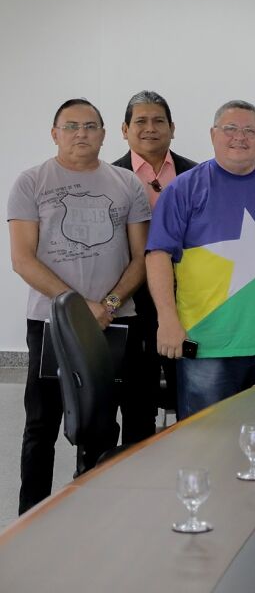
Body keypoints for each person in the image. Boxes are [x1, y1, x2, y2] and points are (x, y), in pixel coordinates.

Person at [8, 98, 152, 514]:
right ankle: (29, 518)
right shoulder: (31, 182)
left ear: (106, 134)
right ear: (54, 133)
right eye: (70, 126)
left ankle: (94, 517)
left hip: (114, 322)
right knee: (41, 425)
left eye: (90, 126)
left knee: (101, 425)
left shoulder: (127, 184)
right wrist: (78, 307)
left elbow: (141, 257)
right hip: (51, 325)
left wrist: (106, 304)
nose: (81, 133)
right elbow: (23, 260)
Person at [145, 100, 255, 418]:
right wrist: (167, 319)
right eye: (230, 129)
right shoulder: (185, 190)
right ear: (213, 134)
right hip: (206, 346)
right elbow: (158, 254)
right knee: (206, 444)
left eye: (249, 130)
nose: (240, 137)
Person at [113, 90, 196, 416]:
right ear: (124, 129)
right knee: (137, 400)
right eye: (141, 121)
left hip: (188, 301)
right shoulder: (110, 177)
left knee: (188, 391)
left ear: (172, 128)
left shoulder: (195, 175)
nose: (150, 128)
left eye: (159, 121)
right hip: (131, 302)